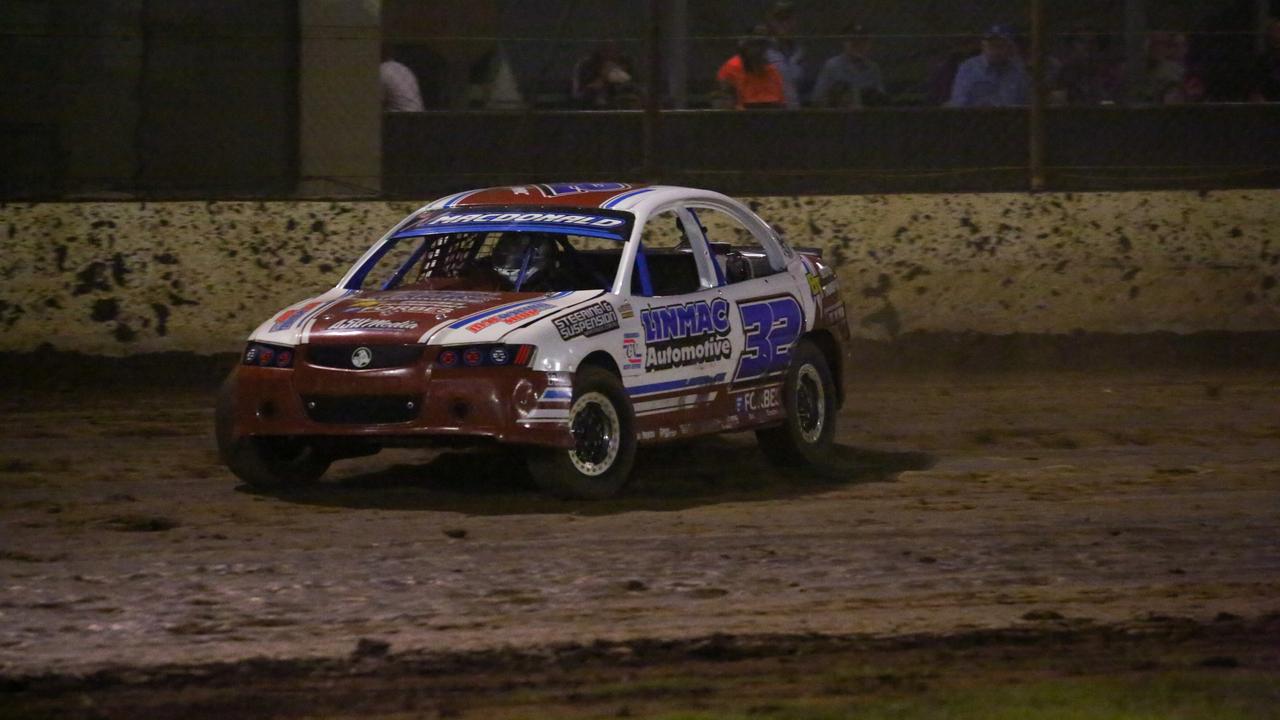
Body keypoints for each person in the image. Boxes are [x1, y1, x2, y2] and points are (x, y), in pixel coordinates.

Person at [947, 24, 1030, 107]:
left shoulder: (1018, 70)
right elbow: (958, 103)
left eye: (1001, 46)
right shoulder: (968, 68)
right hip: (974, 117)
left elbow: (1027, 102)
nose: (996, 51)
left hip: (1011, 117)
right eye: (991, 45)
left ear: (1010, 48)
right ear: (983, 46)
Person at [811, 22, 886, 108]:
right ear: (845, 42)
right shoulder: (832, 66)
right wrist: (835, 98)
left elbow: (882, 99)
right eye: (853, 41)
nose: (859, 45)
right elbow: (816, 99)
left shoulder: (873, 68)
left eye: (863, 41)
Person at [1048, 30, 1121, 105]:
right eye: (1082, 41)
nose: (1088, 46)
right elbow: (1057, 102)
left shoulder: (1110, 74)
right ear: (1073, 45)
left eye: (1093, 42)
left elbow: (1111, 102)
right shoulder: (1064, 73)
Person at [716, 32, 786, 109]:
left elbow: (780, 102)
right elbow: (723, 99)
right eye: (753, 45)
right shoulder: (731, 67)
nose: (758, 49)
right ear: (744, 47)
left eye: (761, 45)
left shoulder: (771, 70)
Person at [572, 41, 639, 109]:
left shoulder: (626, 64)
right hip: (591, 110)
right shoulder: (585, 66)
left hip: (621, 112)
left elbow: (637, 91)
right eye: (605, 49)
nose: (609, 54)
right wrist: (597, 84)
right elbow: (577, 96)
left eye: (613, 50)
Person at [763, 2, 805, 108]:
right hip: (769, 113)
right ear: (771, 22)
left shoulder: (799, 51)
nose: (784, 24)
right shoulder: (763, 50)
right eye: (780, 19)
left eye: (788, 19)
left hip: (794, 113)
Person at [489, 233, 562, 291]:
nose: (505, 253)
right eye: (502, 249)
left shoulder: (554, 287)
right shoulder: (487, 272)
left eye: (514, 252)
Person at [380, 45, 425, 113]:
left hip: (401, 119)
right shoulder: (403, 68)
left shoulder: (382, 70)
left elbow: (374, 104)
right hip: (420, 117)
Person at [1249, 18, 1280, 102]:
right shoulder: (1263, 60)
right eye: (1275, 31)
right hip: (1270, 102)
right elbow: (1256, 86)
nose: (1277, 35)